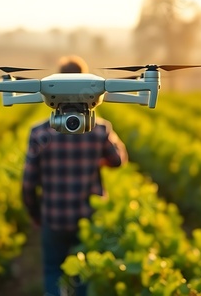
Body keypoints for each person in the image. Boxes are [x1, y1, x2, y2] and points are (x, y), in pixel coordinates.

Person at [22, 55, 128, 296]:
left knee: (53, 270)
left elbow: (28, 185)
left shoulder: (39, 133)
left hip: (53, 217)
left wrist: (35, 214)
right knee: (83, 273)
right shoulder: (100, 129)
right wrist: (97, 155)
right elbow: (118, 160)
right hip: (87, 219)